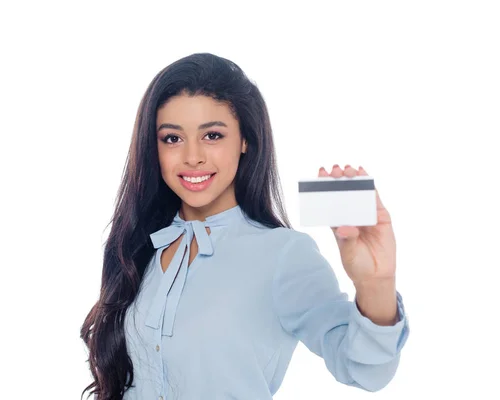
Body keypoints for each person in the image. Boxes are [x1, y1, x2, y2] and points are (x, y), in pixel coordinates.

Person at [80, 52, 410, 400]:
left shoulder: (284, 255)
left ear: (244, 140)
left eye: (212, 136)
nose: (193, 157)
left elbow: (366, 370)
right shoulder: (138, 247)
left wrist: (377, 283)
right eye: (172, 139)